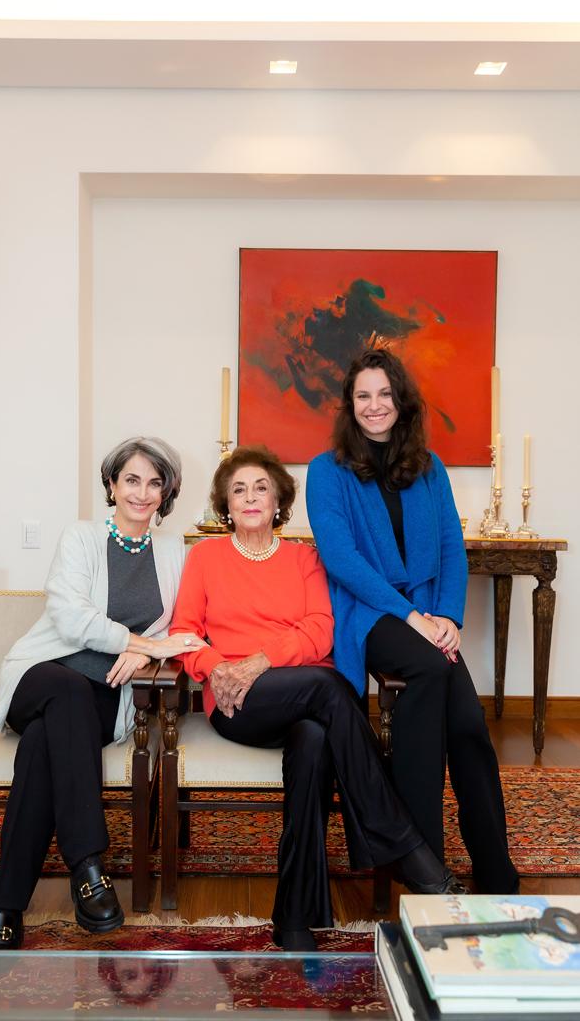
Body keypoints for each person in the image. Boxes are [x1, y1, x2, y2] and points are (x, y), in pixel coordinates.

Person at [170, 444, 465, 954]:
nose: (251, 497)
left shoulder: (305, 558)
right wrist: (217, 668)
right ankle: (404, 846)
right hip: (240, 703)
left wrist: (260, 659)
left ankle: (293, 918)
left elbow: (321, 631)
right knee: (330, 689)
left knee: (312, 740)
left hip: (305, 697)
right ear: (226, 504)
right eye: (239, 490)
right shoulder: (205, 557)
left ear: (278, 501)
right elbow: (184, 633)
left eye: (261, 487)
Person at [0, 437, 204, 951]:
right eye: (131, 480)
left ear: (166, 492)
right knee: (67, 693)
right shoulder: (81, 537)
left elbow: (186, 628)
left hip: (106, 695)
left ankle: (5, 907)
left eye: (154, 483)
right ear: (111, 484)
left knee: (42, 744)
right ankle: (86, 864)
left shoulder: (176, 552)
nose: (142, 493)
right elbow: (70, 617)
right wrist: (140, 642)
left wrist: (147, 653)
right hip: (42, 675)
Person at [306, 347, 519, 895]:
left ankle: (495, 869)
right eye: (363, 396)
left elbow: (451, 546)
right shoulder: (327, 472)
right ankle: (425, 861)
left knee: (468, 725)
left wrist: (446, 616)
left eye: (384, 394)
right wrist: (409, 615)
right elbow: (341, 558)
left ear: (401, 401)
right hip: (367, 612)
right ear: (349, 404)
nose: (374, 405)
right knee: (431, 670)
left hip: (427, 614)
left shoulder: (429, 468)